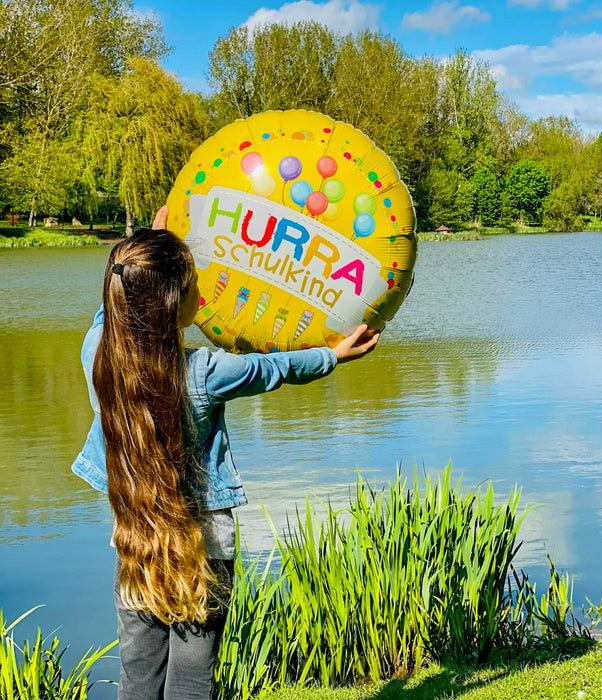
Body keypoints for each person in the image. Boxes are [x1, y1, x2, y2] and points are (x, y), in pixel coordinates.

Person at [71, 206, 379, 700]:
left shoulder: (96, 355)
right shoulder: (206, 371)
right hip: (203, 543)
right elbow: (275, 369)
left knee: (138, 671)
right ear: (175, 302)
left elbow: (112, 308)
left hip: (136, 539)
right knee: (193, 676)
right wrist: (333, 355)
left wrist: (149, 244)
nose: (202, 292)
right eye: (193, 283)